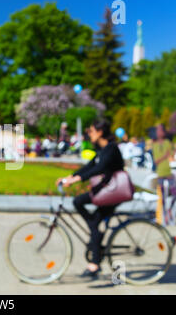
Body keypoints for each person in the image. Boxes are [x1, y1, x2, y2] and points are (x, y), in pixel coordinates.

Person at [56, 119, 124, 278]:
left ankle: (94, 263)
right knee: (78, 202)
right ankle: (95, 232)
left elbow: (100, 168)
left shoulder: (111, 149)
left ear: (100, 132)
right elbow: (90, 166)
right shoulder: (103, 149)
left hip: (113, 193)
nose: (89, 134)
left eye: (91, 131)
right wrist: (70, 176)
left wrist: (77, 180)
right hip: (105, 190)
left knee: (93, 224)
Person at [152, 124, 176, 225]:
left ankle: (169, 210)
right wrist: (165, 156)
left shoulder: (167, 142)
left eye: (160, 130)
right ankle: (164, 218)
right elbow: (156, 161)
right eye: (158, 130)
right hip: (160, 173)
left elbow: (172, 156)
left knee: (175, 194)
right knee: (162, 197)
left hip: (168, 172)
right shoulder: (154, 144)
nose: (159, 132)